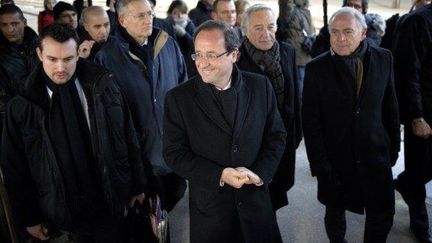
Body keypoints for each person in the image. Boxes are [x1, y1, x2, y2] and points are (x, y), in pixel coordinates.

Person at [1, 23, 147, 243]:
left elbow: (127, 135)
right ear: (40, 54)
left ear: (78, 54)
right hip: (59, 214)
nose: (61, 67)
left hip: (109, 201)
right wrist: (29, 217)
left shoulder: (103, 86)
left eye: (68, 59)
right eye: (52, 59)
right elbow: (15, 167)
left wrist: (137, 185)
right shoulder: (22, 106)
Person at [163, 20, 286, 243]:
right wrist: (219, 175)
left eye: (211, 55)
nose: (202, 63)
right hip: (211, 215)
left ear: (234, 55)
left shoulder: (261, 87)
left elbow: (276, 137)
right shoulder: (178, 98)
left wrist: (259, 174)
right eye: (198, 54)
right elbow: (174, 154)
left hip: (257, 207)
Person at [302, 7, 400, 243]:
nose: (340, 38)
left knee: (382, 213)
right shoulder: (316, 68)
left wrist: (393, 150)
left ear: (364, 33)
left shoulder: (384, 58)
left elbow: (391, 110)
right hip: (334, 160)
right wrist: (320, 166)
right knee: (335, 213)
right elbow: (311, 123)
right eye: (334, 32)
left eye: (347, 31)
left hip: (376, 155)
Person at [95, 0, 187, 214]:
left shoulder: (168, 44)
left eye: (150, 13)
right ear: (122, 20)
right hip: (141, 157)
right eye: (140, 16)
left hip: (175, 150)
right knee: (150, 219)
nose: (148, 20)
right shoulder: (106, 57)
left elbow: (184, 89)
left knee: (175, 194)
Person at [236, 4, 301, 211]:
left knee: (275, 196)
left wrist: (296, 135)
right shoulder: (235, 59)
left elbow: (294, 98)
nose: (266, 34)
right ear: (245, 30)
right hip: (252, 148)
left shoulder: (287, 52)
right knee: (254, 202)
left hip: (283, 140)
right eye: (258, 28)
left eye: (270, 26)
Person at [392, 3, 432, 242]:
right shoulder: (417, 21)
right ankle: (420, 224)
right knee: (419, 168)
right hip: (424, 112)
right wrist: (417, 117)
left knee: (421, 171)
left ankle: (404, 183)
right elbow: (409, 72)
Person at [276, 0, 315, 94]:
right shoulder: (289, 10)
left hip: (304, 58)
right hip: (297, 59)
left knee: (304, 92)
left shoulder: (304, 10)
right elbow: (284, 3)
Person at [0, 4, 39, 95]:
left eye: (15, 24)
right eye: (4, 25)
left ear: (24, 22)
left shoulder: (40, 45)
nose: (10, 30)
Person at [166, 0, 197, 77]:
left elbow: (195, 45)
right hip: (172, 65)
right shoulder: (167, 27)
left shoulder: (190, 26)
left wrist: (184, 34)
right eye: (175, 12)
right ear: (170, 13)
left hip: (189, 66)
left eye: (182, 12)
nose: (179, 15)